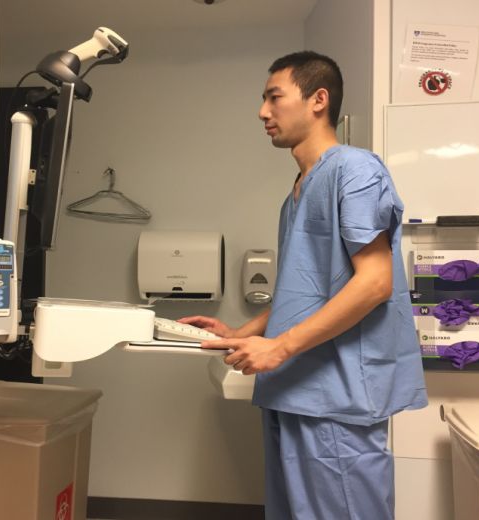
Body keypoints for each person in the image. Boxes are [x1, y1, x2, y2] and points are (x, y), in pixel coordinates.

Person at [181, 51, 427, 519]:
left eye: (274, 97)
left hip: (336, 397)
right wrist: (241, 333)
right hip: (294, 389)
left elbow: (375, 283)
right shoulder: (296, 193)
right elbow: (306, 293)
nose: (263, 112)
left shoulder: (354, 170)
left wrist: (280, 347)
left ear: (318, 99)